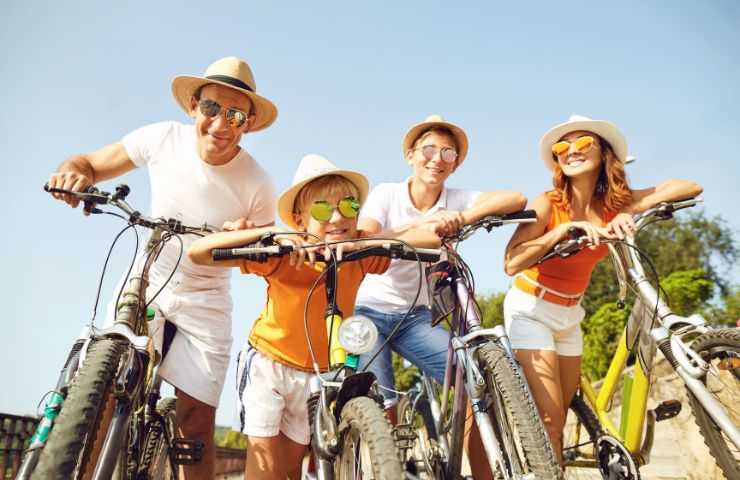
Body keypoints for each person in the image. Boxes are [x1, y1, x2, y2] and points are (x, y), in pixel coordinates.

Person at [46, 56, 278, 478]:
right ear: (193, 106)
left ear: (247, 123)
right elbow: (89, 163)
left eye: (235, 114)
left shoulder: (258, 182)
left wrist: (246, 239)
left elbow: (263, 260)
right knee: (101, 392)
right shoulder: (161, 138)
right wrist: (71, 177)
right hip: (147, 274)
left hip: (207, 296)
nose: (220, 124)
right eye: (211, 108)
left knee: (196, 421)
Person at [187, 154, 441, 479]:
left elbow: (430, 238)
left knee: (292, 470)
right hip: (269, 365)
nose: (337, 217)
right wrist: (273, 235)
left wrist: (367, 242)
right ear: (299, 219)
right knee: (264, 470)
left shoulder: (360, 252)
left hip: (315, 377)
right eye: (322, 209)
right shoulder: (283, 255)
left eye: (349, 206)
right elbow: (200, 252)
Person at [503, 114, 703, 465]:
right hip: (530, 308)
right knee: (549, 422)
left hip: (570, 314)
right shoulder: (548, 203)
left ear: (605, 153)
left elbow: (688, 186)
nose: (571, 151)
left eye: (583, 143)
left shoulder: (613, 205)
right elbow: (511, 262)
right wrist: (561, 232)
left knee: (561, 419)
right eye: (562, 147)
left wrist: (631, 214)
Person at [354, 114, 527, 478]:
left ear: (456, 163)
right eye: (429, 149)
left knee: (474, 380)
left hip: (415, 317)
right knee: (380, 403)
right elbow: (365, 239)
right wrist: (422, 228)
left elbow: (516, 198)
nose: (437, 159)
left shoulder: (455, 199)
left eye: (448, 153)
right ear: (411, 155)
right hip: (371, 310)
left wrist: (461, 218)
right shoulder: (387, 193)